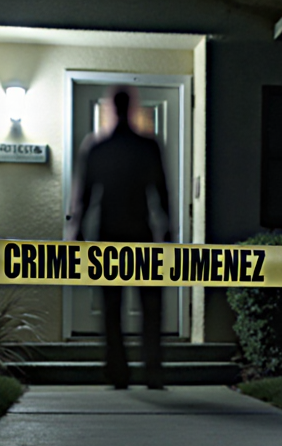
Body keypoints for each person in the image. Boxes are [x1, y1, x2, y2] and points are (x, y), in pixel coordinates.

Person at [67, 86, 171, 390]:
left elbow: (84, 195)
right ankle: (151, 369)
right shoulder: (145, 147)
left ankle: (119, 370)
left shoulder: (99, 148)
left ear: (113, 108)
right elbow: (161, 192)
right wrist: (167, 230)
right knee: (148, 306)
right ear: (131, 107)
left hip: (112, 233)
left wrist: (78, 231)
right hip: (139, 233)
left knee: (113, 308)